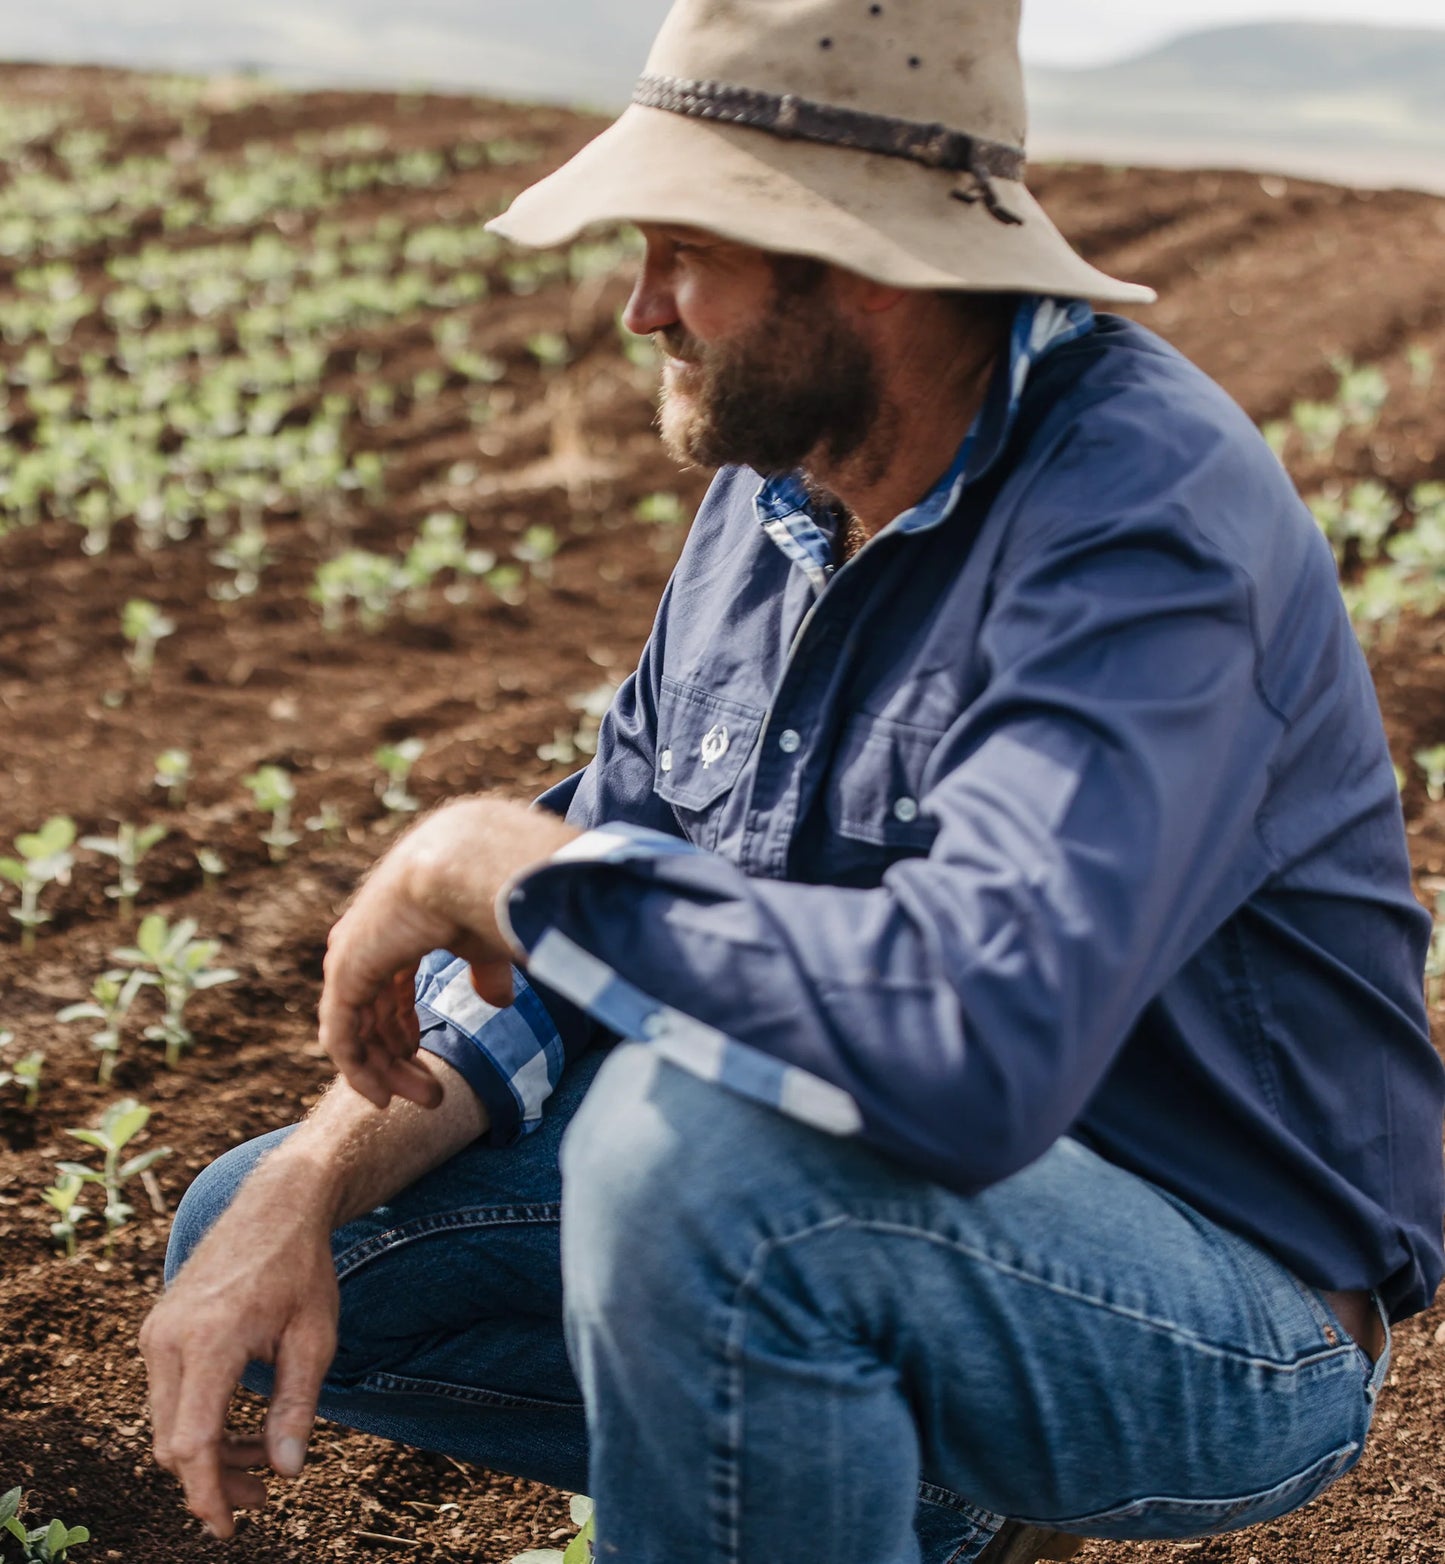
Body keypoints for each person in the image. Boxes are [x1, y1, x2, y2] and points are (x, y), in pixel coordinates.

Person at [140, 2, 1445, 1562]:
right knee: (258, 1228)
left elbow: (967, 1050)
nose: (640, 312)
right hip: (887, 1210)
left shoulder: (1138, 529)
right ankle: (859, 1479)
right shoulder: (781, 494)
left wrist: (492, 860)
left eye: (684, 253)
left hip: (1218, 1300)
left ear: (860, 266)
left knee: (701, 1163)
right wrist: (309, 1176)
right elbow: (605, 905)